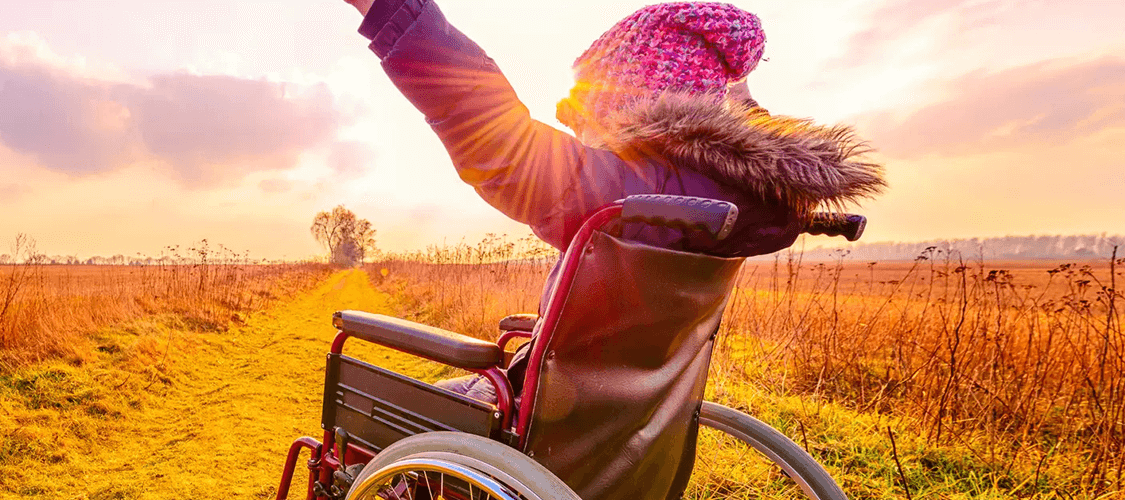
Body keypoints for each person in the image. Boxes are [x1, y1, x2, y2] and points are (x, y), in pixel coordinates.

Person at [333, 1, 885, 410]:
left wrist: (393, 11)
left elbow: (498, 142)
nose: (586, 133)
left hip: (548, 416)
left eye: (594, 116)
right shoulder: (740, 203)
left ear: (638, 110)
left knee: (366, 410)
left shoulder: (641, 198)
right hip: (630, 431)